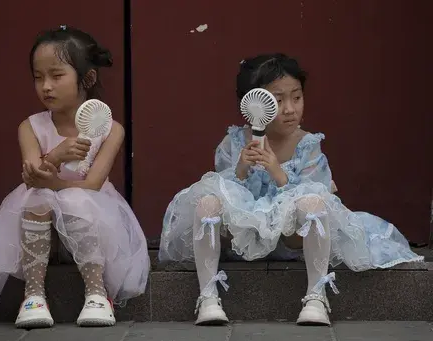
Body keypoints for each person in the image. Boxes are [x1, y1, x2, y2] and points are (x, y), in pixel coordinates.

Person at [158, 53, 423, 326]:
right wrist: (240, 169)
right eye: (277, 99)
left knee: (314, 205)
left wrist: (277, 172)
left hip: (291, 238)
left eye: (296, 97)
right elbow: (225, 190)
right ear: (254, 104)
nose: (289, 109)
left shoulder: (307, 144)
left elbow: (317, 193)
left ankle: (316, 296)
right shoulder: (235, 141)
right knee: (207, 203)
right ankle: (208, 296)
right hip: (242, 237)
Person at [0, 25, 150, 329]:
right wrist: (56, 156)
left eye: (56, 76)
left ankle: (97, 292)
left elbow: (93, 184)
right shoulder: (30, 127)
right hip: (38, 230)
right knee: (37, 200)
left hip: (91, 221)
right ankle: (33, 295)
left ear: (88, 78)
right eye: (38, 77)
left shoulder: (111, 130)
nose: (46, 86)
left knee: (77, 200)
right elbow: (33, 178)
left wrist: (55, 183)